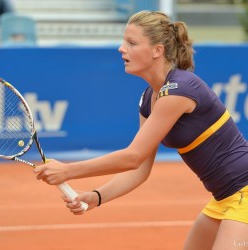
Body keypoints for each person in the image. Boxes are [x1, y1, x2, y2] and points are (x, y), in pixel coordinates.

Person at [34, 10, 248, 250]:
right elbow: (140, 169)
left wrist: (68, 171)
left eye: (132, 43)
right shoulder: (149, 99)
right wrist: (98, 196)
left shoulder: (180, 89)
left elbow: (132, 157)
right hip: (225, 198)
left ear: (157, 50)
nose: (121, 48)